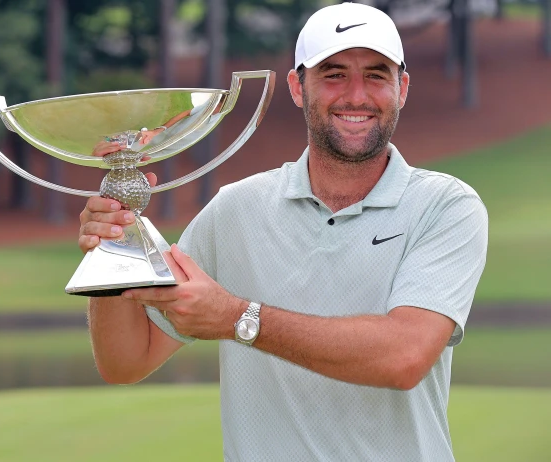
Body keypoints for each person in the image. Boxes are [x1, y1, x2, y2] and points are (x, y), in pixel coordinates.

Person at [78, 3, 488, 461]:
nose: (357, 95)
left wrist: (238, 318)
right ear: (297, 87)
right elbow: (125, 361)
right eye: (333, 75)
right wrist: (114, 244)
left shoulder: (445, 206)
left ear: (402, 87)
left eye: (376, 75)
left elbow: (404, 356)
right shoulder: (235, 209)